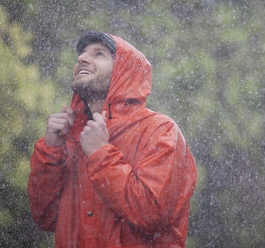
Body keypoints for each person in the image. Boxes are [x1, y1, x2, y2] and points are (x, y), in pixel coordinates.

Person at [28, 31, 197, 248]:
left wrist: (100, 154)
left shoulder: (160, 130)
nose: (82, 58)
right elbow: (46, 217)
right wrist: (51, 150)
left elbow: (151, 213)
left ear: (123, 72)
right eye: (82, 54)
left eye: (99, 54)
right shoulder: (73, 137)